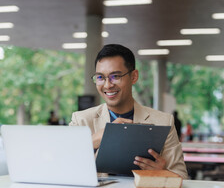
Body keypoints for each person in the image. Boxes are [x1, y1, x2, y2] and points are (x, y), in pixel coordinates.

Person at [69, 44, 188, 179]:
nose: (107, 85)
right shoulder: (82, 121)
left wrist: (160, 173)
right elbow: (63, 169)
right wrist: (91, 142)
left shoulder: (164, 122)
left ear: (134, 76)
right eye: (100, 77)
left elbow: (182, 176)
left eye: (115, 76)